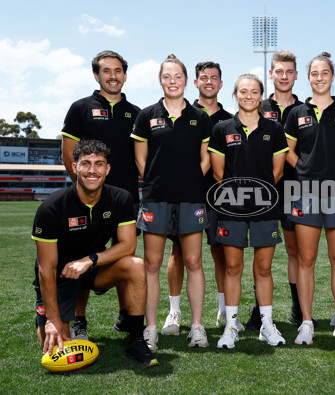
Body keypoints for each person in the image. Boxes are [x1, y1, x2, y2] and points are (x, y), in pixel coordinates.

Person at [32, 140, 157, 367]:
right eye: (86, 163)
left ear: (107, 169)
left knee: (136, 264)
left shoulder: (120, 198)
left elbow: (128, 245)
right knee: (56, 349)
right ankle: (45, 312)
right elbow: (46, 268)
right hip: (60, 276)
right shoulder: (51, 208)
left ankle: (137, 339)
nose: (92, 170)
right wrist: (53, 319)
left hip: (93, 268)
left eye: (99, 164)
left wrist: (89, 260)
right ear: (74, 167)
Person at [131, 54, 213, 350]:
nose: (173, 82)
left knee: (193, 261)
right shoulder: (146, 115)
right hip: (156, 198)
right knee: (152, 264)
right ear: (160, 80)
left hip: (191, 198)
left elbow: (205, 158)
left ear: (186, 81)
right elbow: (141, 159)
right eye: (167, 77)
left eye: (178, 77)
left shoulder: (199, 117)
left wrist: (191, 180)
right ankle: (151, 328)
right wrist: (157, 183)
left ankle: (197, 326)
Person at [60, 50, 141, 340]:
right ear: (97, 75)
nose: (113, 76)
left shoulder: (136, 113)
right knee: (80, 256)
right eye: (106, 71)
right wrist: (85, 190)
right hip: (88, 201)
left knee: (124, 254)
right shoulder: (80, 108)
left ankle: (124, 315)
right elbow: (68, 151)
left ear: (125, 75)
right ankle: (79, 318)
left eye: (118, 70)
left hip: (126, 199)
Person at [162, 61, 244, 336]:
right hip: (186, 195)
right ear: (194, 83)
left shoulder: (233, 119)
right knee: (179, 253)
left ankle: (224, 311)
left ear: (221, 84)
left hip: (221, 197)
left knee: (221, 252)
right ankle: (174, 312)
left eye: (215, 78)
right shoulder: (183, 113)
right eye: (203, 78)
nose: (209, 82)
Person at [208, 73, 289, 348]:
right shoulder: (221, 129)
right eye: (243, 91)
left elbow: (277, 171)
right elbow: (219, 174)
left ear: (261, 95)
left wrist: (258, 196)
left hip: (266, 209)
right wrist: (239, 197)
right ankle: (231, 326)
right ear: (235, 95)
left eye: (254, 92)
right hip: (231, 209)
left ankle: (267, 324)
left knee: (264, 269)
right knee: (233, 267)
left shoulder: (274, 129)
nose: (249, 96)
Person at [285, 52, 335, 345]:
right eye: (314, 73)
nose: (319, 78)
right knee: (306, 260)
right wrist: (305, 170)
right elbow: (288, 151)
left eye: (324, 73)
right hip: (304, 193)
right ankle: (306, 322)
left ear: (333, 78)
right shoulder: (296, 113)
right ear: (309, 78)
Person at [248, 50, 307, 329]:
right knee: (262, 252)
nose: (284, 76)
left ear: (296, 75)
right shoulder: (257, 106)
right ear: (271, 74)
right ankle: (258, 309)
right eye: (279, 71)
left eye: (289, 72)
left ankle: (298, 307)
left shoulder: (306, 109)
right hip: (265, 189)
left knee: (296, 251)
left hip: (296, 188)